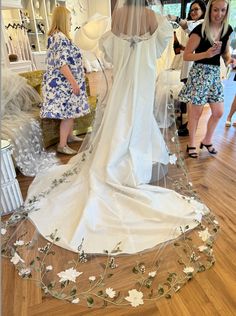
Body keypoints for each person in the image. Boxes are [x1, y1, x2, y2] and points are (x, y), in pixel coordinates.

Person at [2, 1, 219, 307]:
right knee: (137, 122)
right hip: (141, 84)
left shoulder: (118, 18)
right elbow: (158, 51)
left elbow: (112, 53)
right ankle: (135, 167)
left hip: (123, 87)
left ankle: (118, 163)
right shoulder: (154, 19)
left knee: (119, 124)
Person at [179, 0, 234, 158]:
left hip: (215, 74)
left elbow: (225, 53)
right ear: (210, 10)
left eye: (223, 10)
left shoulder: (226, 30)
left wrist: (230, 60)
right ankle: (191, 144)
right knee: (196, 113)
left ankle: (207, 140)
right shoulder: (199, 30)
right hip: (200, 73)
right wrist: (206, 54)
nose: (219, 14)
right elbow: (186, 55)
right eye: (216, 10)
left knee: (218, 112)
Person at [40, 6, 90, 155]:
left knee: (71, 111)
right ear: (62, 20)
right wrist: (74, 82)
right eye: (69, 19)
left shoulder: (58, 36)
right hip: (63, 84)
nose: (71, 21)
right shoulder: (59, 38)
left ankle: (70, 136)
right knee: (67, 114)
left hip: (64, 83)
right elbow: (62, 64)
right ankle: (62, 145)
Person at [168, 0, 206, 137]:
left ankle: (191, 125)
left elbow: (188, 26)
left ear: (203, 11)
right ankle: (188, 123)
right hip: (187, 61)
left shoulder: (202, 24)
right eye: (191, 9)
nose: (193, 12)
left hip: (196, 64)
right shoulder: (191, 24)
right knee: (190, 96)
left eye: (196, 9)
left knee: (194, 97)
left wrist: (176, 19)